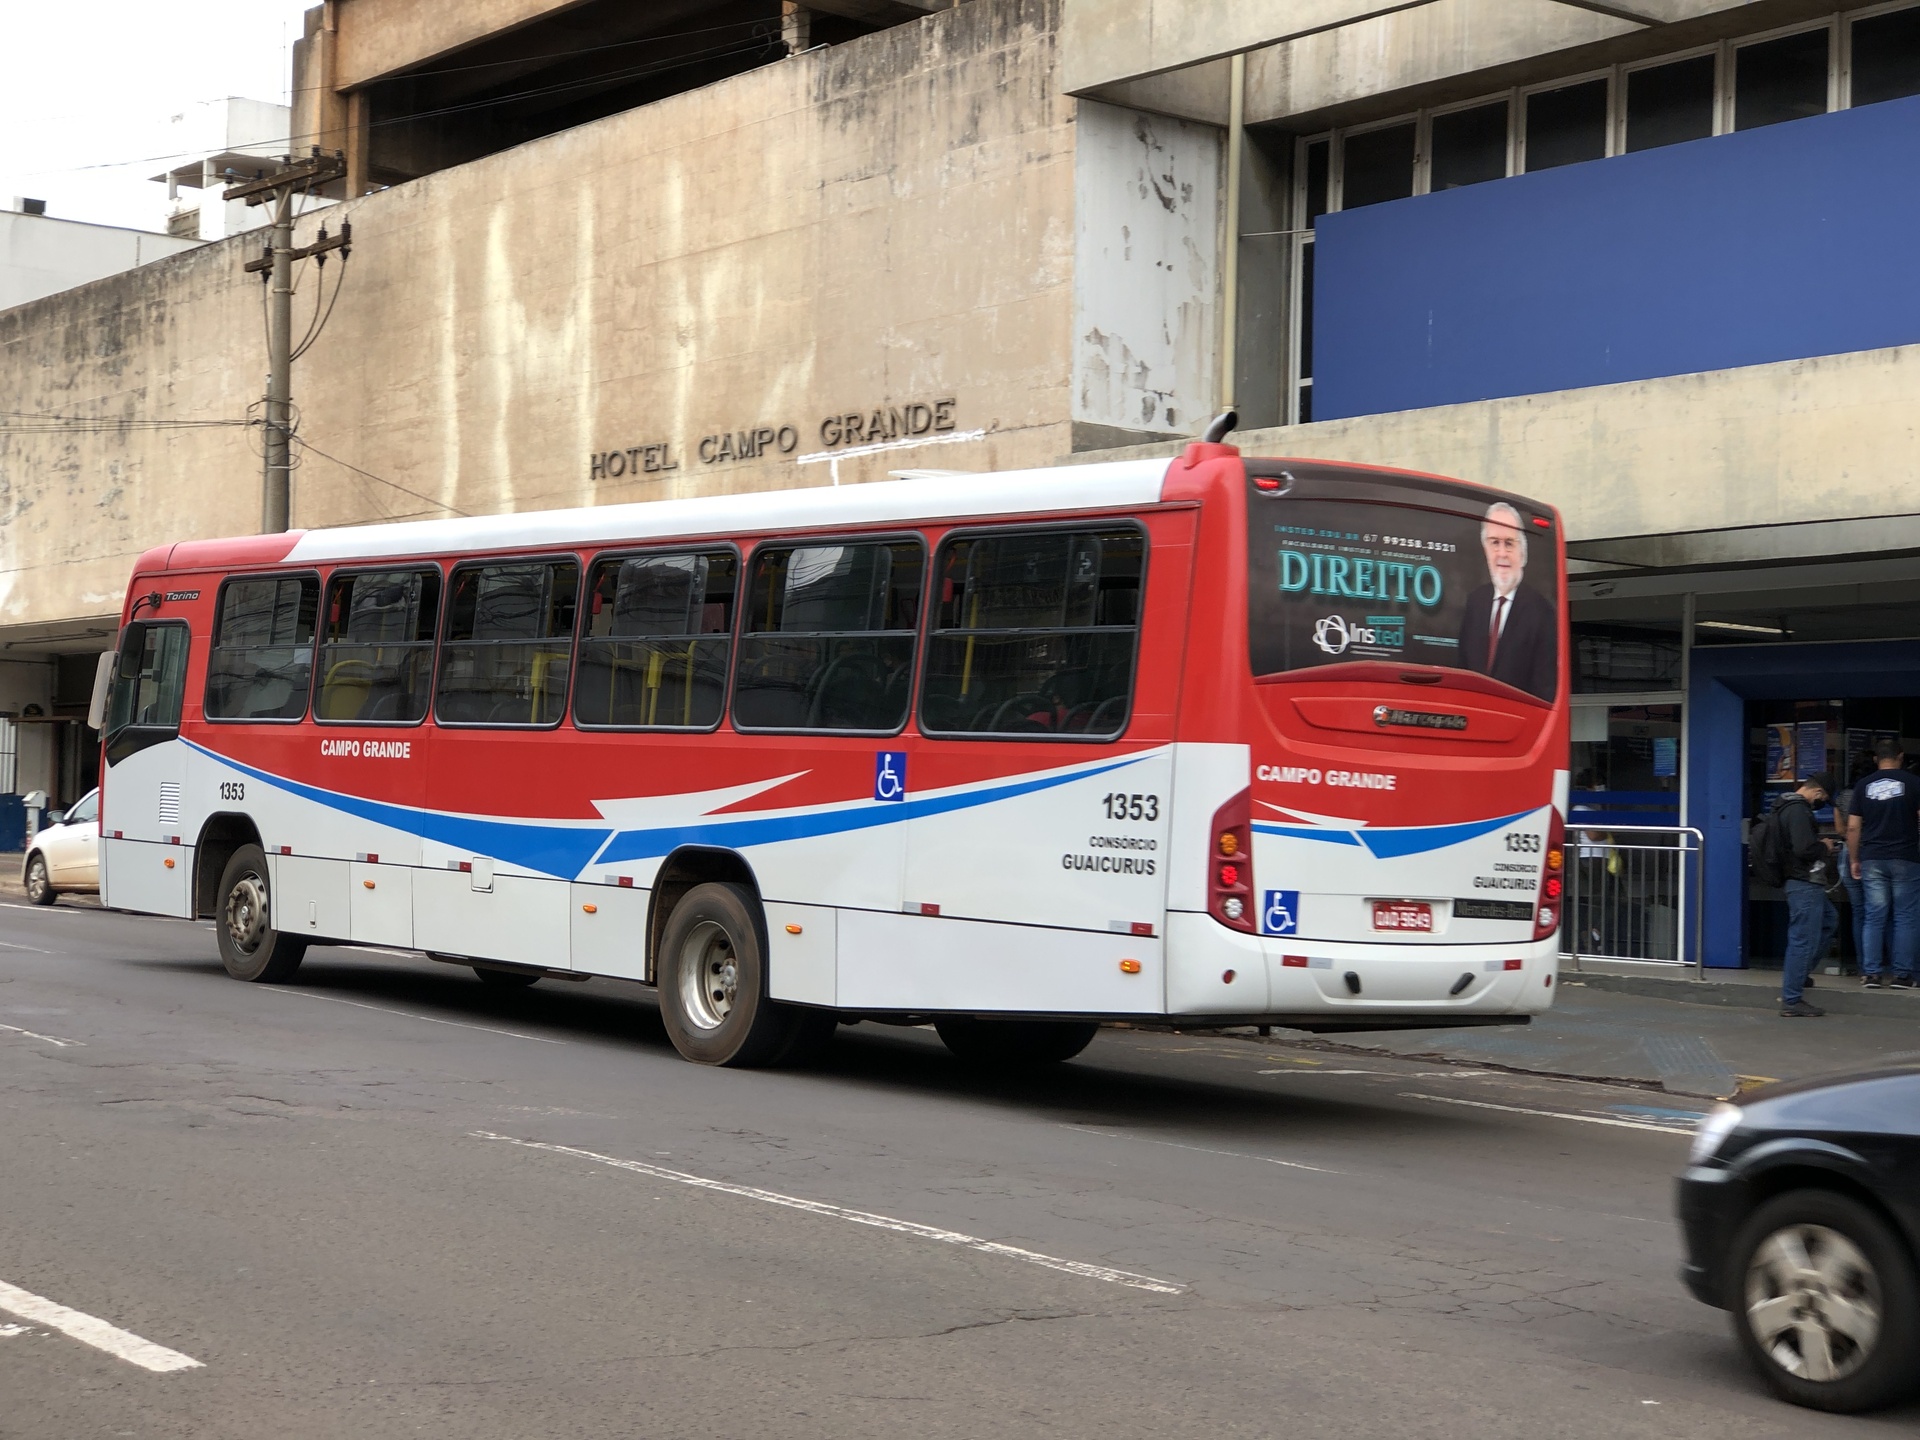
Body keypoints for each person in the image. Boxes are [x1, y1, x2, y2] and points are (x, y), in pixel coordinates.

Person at [1454, 501, 1557, 702]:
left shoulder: (1542, 612)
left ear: (1522, 553)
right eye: (1494, 542)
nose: (1502, 553)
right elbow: (1463, 669)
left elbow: (1544, 690)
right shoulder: (1475, 602)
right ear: (1486, 549)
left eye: (1509, 543)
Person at [1847, 737, 1920, 990]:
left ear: (1877, 759)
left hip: (1873, 858)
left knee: (1874, 916)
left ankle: (1872, 974)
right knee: (1905, 917)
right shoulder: (1914, 783)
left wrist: (1855, 858)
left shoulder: (1862, 785)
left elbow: (1854, 826)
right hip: (1906, 857)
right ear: (1901, 757)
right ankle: (1902, 975)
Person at [1777, 771, 1838, 1017]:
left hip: (1799, 882)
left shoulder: (1784, 806)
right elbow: (1804, 849)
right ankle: (1792, 999)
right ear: (1818, 792)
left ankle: (1800, 975)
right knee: (1802, 940)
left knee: (1829, 921)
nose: (1820, 802)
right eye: (1822, 798)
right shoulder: (1799, 811)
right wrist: (1824, 846)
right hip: (1805, 882)